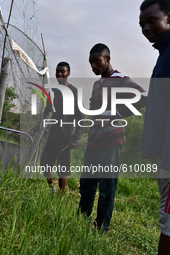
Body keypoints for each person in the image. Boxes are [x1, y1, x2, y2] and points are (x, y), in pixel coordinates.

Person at [78, 43, 147, 233]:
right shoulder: (96, 84)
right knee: (86, 183)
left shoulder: (120, 79)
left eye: (97, 61)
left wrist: (117, 113)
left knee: (107, 188)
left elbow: (144, 96)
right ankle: (82, 221)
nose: (93, 66)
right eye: (91, 63)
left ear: (107, 59)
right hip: (94, 141)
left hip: (111, 142)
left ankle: (101, 230)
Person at [139, 0, 170, 253]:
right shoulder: (164, 54)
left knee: (168, 220)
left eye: (151, 20)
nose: (146, 28)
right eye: (142, 24)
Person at [31, 62, 84, 193]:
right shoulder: (52, 92)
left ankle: (61, 196)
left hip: (66, 138)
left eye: (63, 71)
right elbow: (46, 114)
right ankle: (52, 188)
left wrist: (75, 138)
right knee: (44, 164)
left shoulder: (74, 92)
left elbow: (82, 118)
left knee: (63, 169)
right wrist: (36, 129)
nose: (59, 74)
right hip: (50, 135)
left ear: (68, 73)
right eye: (58, 71)